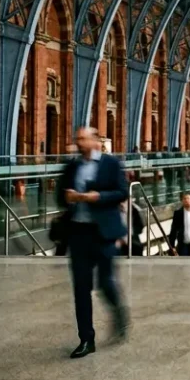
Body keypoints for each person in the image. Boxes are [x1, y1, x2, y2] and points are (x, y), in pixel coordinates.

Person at [58, 127, 129, 359]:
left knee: (105, 283)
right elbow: (60, 195)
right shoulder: (72, 166)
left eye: (82, 138)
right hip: (78, 233)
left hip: (104, 233)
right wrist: (67, 196)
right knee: (81, 288)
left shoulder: (111, 164)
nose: (78, 142)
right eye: (77, 139)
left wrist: (97, 197)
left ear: (95, 140)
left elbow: (121, 192)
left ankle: (119, 313)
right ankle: (86, 339)